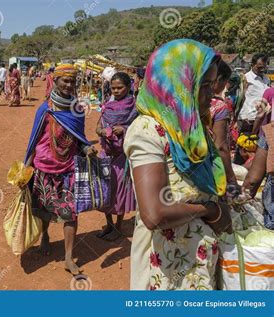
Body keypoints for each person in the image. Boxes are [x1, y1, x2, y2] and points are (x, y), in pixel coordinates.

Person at [123, 39, 232, 290]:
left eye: (212, 84)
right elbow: (154, 214)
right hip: (164, 269)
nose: (211, 94)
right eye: (203, 86)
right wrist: (209, 210)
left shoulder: (192, 129)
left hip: (198, 264)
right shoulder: (147, 130)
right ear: (179, 85)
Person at [24, 64, 97, 275]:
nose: (69, 85)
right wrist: (25, 168)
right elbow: (34, 139)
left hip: (68, 168)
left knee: (70, 213)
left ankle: (68, 257)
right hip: (44, 167)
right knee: (45, 209)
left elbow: (79, 138)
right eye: (65, 80)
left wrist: (87, 148)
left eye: (72, 81)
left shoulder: (78, 110)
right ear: (55, 81)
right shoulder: (45, 109)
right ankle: (45, 236)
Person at [95, 72, 137, 241]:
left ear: (128, 87)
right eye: (113, 88)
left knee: (120, 191)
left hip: (122, 157)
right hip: (106, 155)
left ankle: (118, 227)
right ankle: (109, 225)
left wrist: (124, 130)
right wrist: (102, 131)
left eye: (120, 87)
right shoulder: (107, 106)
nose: (116, 90)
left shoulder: (135, 108)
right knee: (105, 190)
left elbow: (139, 129)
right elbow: (98, 127)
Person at [208, 60, 239, 197]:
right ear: (219, 79)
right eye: (225, 82)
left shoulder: (185, 102)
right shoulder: (219, 106)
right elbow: (220, 147)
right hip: (209, 168)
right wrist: (231, 180)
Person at [238, 53, 270, 134]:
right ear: (252, 65)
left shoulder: (266, 79)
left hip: (263, 119)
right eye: (260, 67)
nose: (262, 69)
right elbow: (239, 99)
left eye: (264, 67)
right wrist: (242, 117)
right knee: (246, 143)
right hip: (248, 120)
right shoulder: (245, 78)